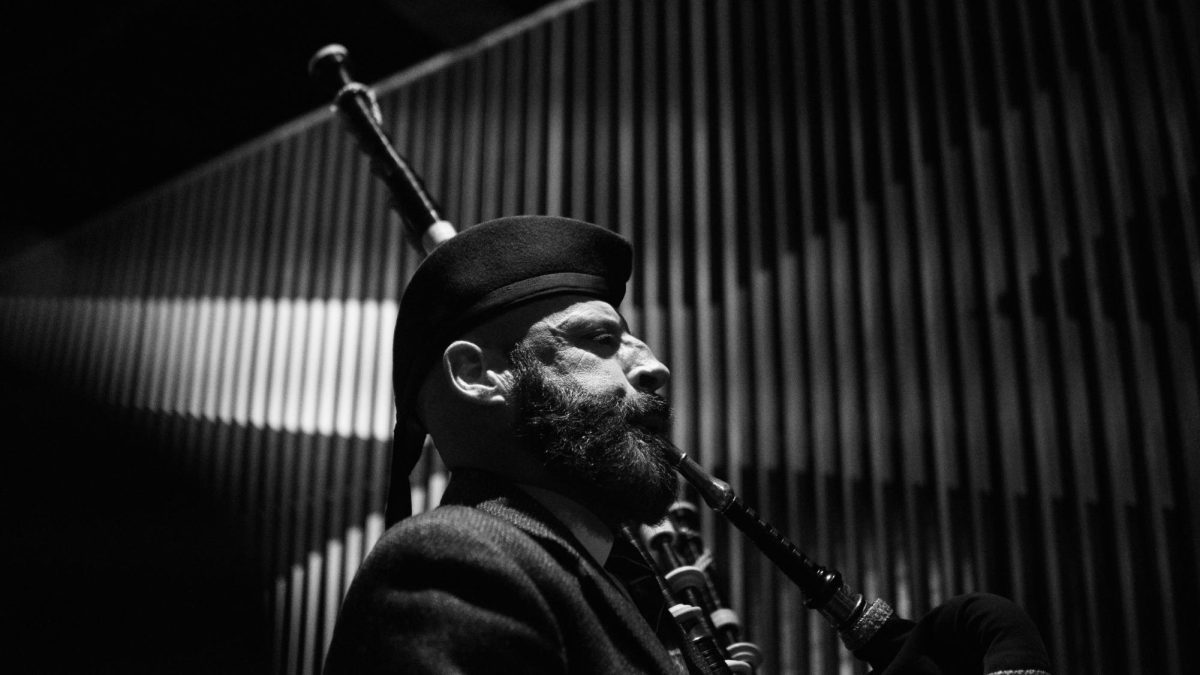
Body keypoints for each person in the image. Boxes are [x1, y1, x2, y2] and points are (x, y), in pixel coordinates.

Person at [323, 215, 690, 674]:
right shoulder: (452, 562)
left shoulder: (601, 572)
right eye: (601, 339)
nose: (655, 367)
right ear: (478, 374)